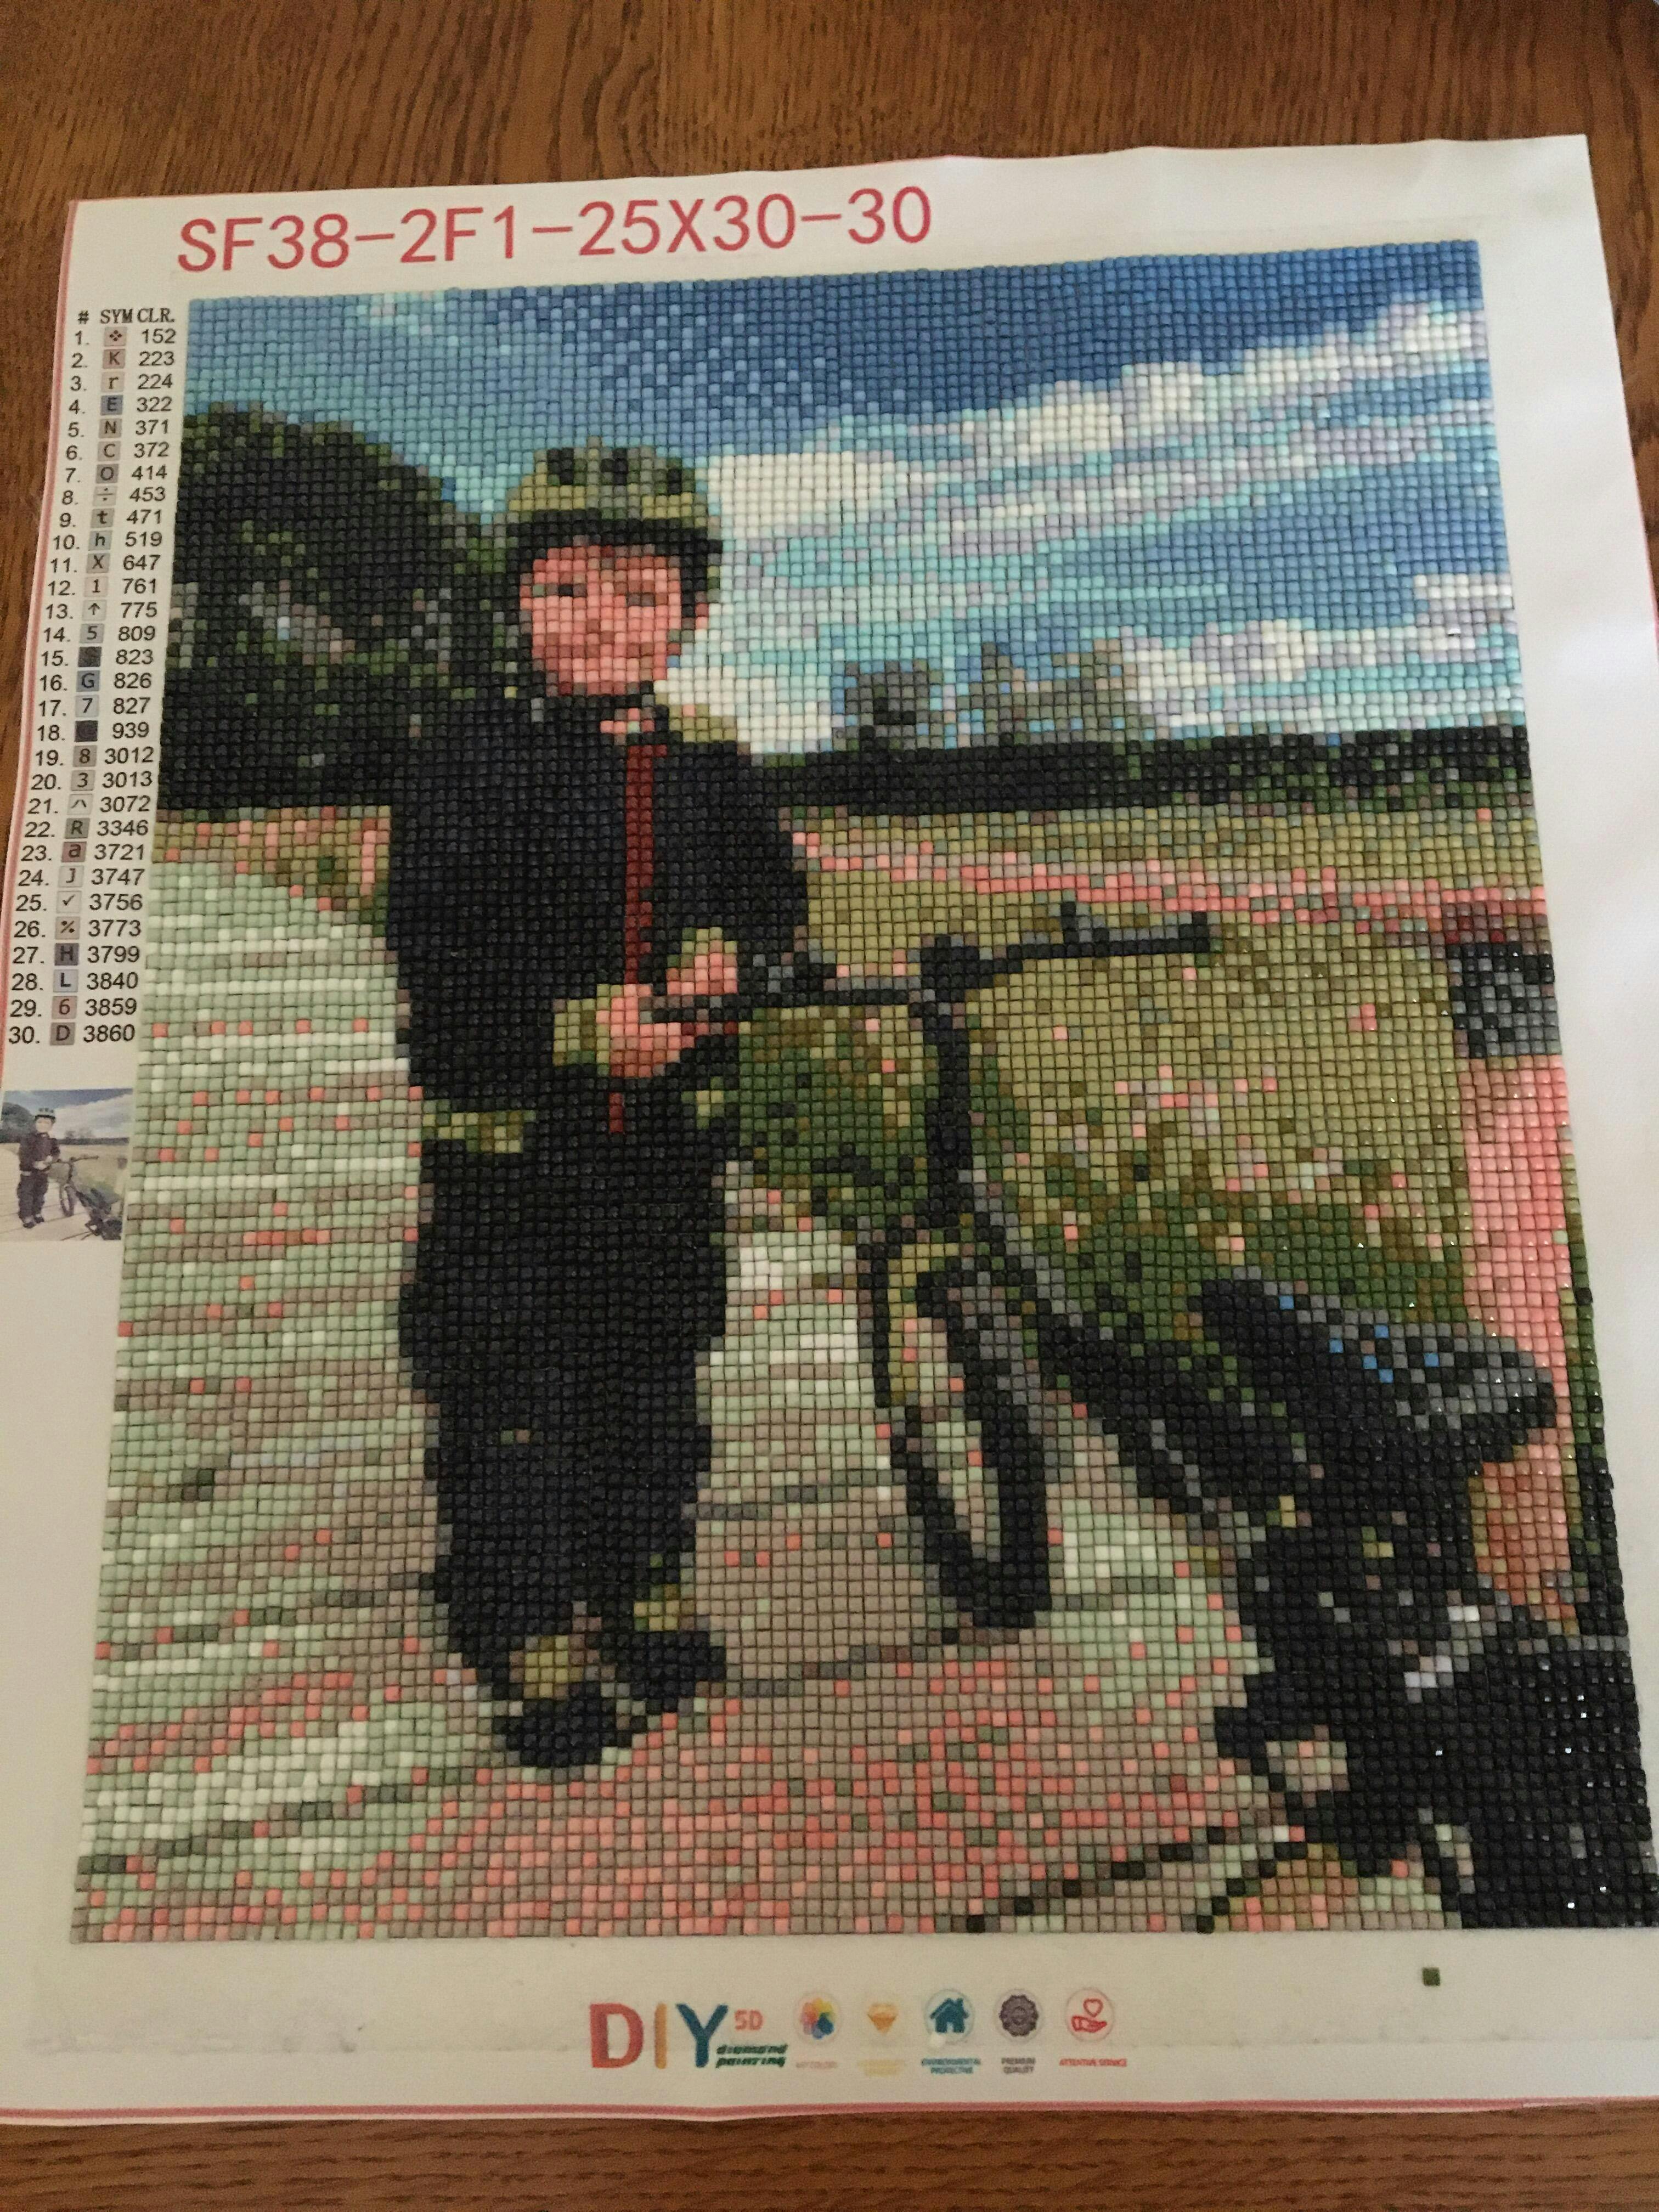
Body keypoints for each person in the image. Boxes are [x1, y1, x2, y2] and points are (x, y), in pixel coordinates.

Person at [387, 443, 808, 1771]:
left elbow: (774, 898)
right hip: (512, 1160)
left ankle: (637, 1575)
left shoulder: (712, 764)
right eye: (566, 590)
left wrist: (734, 955)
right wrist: (577, 1030)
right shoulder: (466, 759)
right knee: (512, 1395)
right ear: (518, 600)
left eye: (641, 596)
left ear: (692, 613)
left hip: (666, 1156)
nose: (602, 623)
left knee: (653, 1379)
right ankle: (514, 1615)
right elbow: (438, 961)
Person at [16, 1110, 59, 1229]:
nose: (43, 1125)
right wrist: (35, 1164)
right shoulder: (28, 1138)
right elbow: (23, 1155)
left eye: (47, 1123)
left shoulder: (52, 1140)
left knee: (40, 1193)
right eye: (40, 1122)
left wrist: (52, 1158)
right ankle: (26, 1215)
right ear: (35, 1123)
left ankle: (37, 1212)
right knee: (26, 1194)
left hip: (44, 1172)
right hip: (29, 1172)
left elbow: (56, 1153)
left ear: (51, 1126)